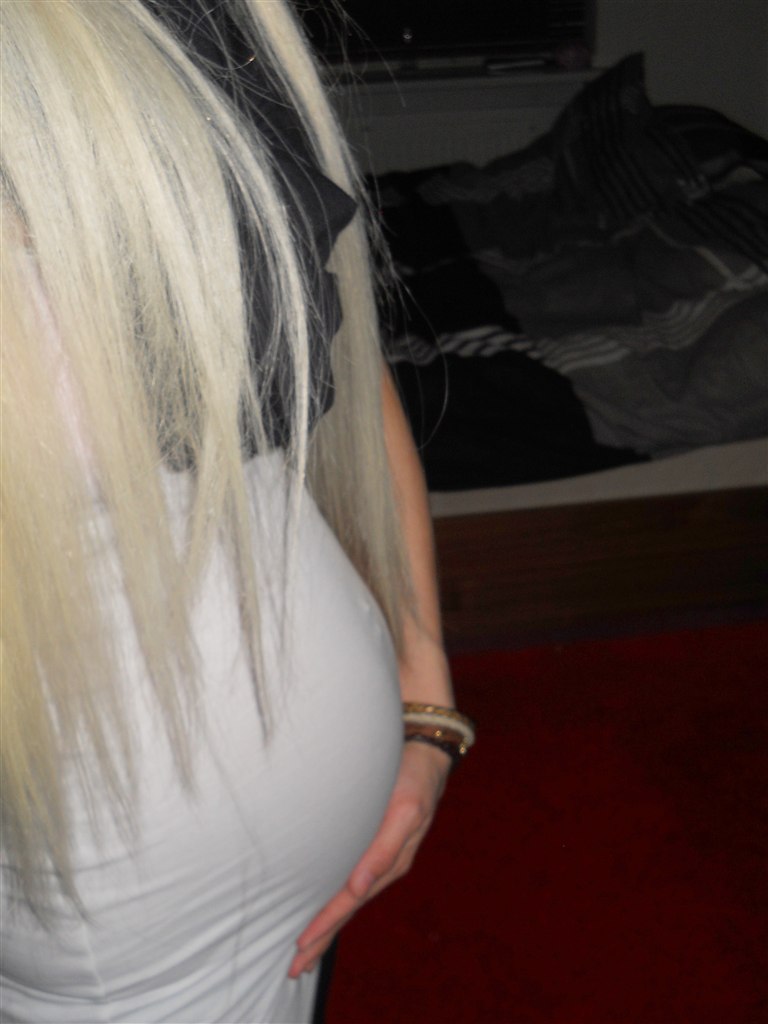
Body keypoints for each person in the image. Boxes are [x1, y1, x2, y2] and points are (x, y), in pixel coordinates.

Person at [0, 2, 474, 1021]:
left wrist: (425, 686)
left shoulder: (206, 15)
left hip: (271, 875)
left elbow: (335, 348)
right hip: (98, 903)